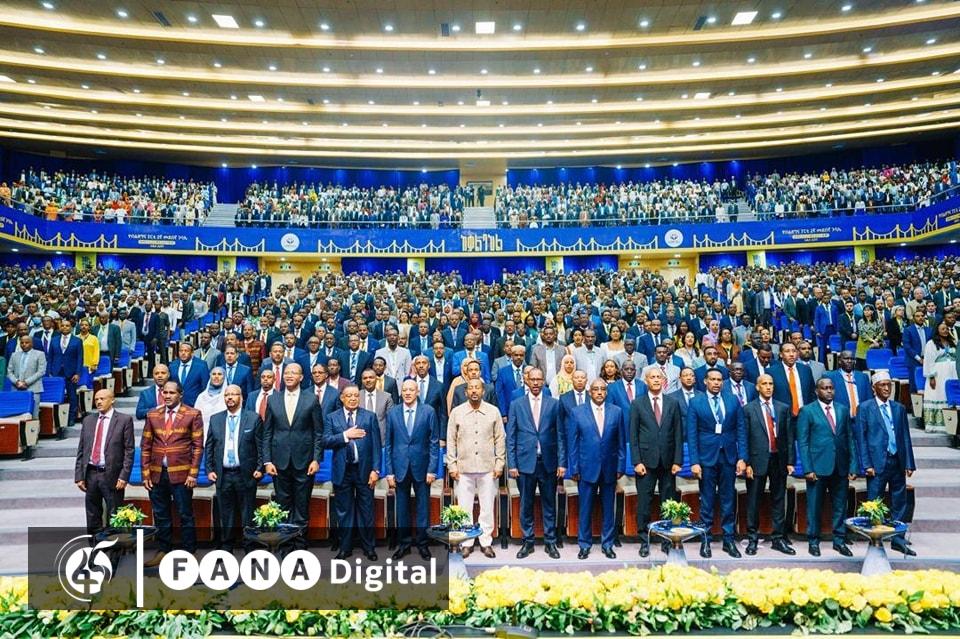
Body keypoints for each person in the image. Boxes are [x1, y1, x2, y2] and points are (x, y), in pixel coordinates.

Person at [141, 380, 204, 567]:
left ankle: (189, 552)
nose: (167, 396)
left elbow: (198, 447)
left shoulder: (193, 414)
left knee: (185, 514)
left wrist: (193, 474)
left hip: (182, 474)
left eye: (171, 393)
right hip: (157, 473)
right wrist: (145, 474)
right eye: (165, 392)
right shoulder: (152, 414)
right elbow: (146, 446)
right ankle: (163, 551)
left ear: (180, 394)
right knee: (160, 514)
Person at [686, 368, 747, 558]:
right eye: (712, 379)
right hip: (706, 458)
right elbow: (691, 434)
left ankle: (729, 540)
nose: (716, 383)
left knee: (728, 500)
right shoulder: (695, 402)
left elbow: (741, 429)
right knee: (707, 500)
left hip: (728, 456)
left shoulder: (732, 399)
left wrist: (742, 457)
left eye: (719, 380)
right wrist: (694, 461)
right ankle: (706, 540)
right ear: (705, 381)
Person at [855, 371, 917, 555]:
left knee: (900, 501)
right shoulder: (865, 408)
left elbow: (905, 436)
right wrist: (866, 464)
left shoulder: (898, 408)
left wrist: (909, 462)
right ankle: (876, 537)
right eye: (882, 385)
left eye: (889, 385)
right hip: (876, 463)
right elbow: (861, 439)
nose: (886, 388)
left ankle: (898, 539)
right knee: (875, 502)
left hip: (897, 461)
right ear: (874, 388)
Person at [796, 377, 858, 557]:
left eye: (831, 388)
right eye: (825, 388)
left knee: (840, 506)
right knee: (814, 507)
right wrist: (807, 469)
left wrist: (853, 465)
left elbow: (849, 439)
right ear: (817, 391)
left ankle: (839, 541)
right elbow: (803, 442)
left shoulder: (843, 410)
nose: (829, 391)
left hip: (840, 466)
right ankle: (813, 541)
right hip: (817, 467)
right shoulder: (807, 411)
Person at [506, 368, 565, 560]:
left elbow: (560, 435)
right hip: (524, 463)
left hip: (548, 462)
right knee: (526, 504)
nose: (536, 383)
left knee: (549, 504)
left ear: (543, 381)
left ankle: (550, 542)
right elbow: (511, 437)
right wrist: (512, 464)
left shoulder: (554, 404)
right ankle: (528, 542)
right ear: (527, 381)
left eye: (539, 379)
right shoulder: (516, 404)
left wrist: (562, 463)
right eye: (533, 379)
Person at [446, 378, 505, 559]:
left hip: (488, 468)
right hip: (463, 468)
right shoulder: (457, 412)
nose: (474, 391)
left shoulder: (493, 411)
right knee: (464, 508)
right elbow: (451, 440)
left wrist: (499, 464)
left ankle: (486, 542)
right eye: (470, 388)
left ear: (483, 391)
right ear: (465, 392)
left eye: (477, 388)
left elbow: (500, 439)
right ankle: (467, 543)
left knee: (487, 507)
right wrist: (452, 465)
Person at [263, 363, 323, 538]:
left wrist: (316, 459)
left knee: (302, 506)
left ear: (301, 377)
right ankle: (285, 543)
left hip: (304, 462)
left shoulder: (311, 399)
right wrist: (267, 461)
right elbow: (267, 433)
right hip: (279, 462)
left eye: (293, 373)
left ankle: (300, 543)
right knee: (282, 506)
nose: (289, 375)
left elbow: (318, 433)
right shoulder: (273, 399)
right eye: (287, 373)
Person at [323, 384, 382, 560]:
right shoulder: (332, 417)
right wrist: (345, 435)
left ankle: (369, 548)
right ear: (342, 398)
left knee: (366, 511)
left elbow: (376, 446)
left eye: (356, 395)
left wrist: (375, 470)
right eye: (349, 396)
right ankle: (345, 548)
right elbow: (325, 441)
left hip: (364, 471)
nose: (353, 398)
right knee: (344, 512)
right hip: (342, 471)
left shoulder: (369, 416)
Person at [629, 368, 683, 557]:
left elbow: (678, 433)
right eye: (652, 377)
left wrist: (678, 460)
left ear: (664, 380)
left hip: (668, 462)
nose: (656, 380)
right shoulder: (637, 404)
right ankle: (644, 541)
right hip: (645, 463)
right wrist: (636, 461)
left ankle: (666, 540)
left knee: (668, 503)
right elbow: (633, 435)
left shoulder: (673, 403)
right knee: (644, 504)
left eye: (659, 377)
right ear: (646, 381)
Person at [568, 378, 623, 560]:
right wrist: (574, 468)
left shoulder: (616, 412)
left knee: (608, 509)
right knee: (585, 509)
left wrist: (620, 466)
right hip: (586, 469)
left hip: (609, 468)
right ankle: (584, 545)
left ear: (606, 392)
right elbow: (573, 443)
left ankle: (608, 545)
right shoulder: (577, 412)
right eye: (596, 389)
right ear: (590, 392)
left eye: (602, 389)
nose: (599, 392)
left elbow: (621, 442)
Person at [205, 384, 263, 553]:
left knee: (247, 513)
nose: (229, 397)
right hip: (223, 474)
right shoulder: (215, 419)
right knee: (225, 514)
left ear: (241, 397)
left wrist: (260, 467)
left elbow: (261, 446)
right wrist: (209, 469)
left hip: (246, 474)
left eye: (233, 394)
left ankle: (249, 547)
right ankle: (226, 547)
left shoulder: (253, 418)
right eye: (227, 395)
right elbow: (209, 447)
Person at [385, 379, 439, 560]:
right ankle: (404, 545)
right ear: (401, 392)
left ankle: (423, 544)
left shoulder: (428, 411)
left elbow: (433, 442)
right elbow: (389, 444)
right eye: (405, 390)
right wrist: (389, 472)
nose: (407, 393)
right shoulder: (393, 413)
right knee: (402, 509)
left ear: (417, 392)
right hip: (399, 467)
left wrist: (432, 470)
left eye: (411, 390)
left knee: (423, 509)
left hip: (422, 468)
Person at [743, 374, 796, 556]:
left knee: (779, 500)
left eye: (771, 384)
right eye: (764, 384)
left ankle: (778, 539)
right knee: (753, 501)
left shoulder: (783, 408)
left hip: (778, 459)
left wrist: (790, 461)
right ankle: (752, 539)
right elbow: (744, 438)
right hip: (756, 460)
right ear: (757, 387)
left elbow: (789, 437)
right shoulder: (748, 409)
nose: (768, 387)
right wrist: (747, 462)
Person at [74, 389, 134, 536]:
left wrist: (124, 476)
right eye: (96, 399)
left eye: (102, 398)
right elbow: (82, 450)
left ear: (112, 400)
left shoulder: (124, 420)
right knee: (92, 515)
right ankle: (94, 547)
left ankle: (114, 548)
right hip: (91, 473)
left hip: (112, 474)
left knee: (115, 515)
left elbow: (129, 451)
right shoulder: (88, 421)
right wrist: (79, 476)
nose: (99, 402)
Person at [49, 318, 84, 428]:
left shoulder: (77, 341)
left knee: (72, 396)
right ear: (59, 327)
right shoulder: (54, 340)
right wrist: (49, 372)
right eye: (62, 325)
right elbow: (50, 357)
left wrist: (78, 373)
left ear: (71, 328)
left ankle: (71, 417)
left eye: (67, 326)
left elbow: (80, 358)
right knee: (57, 396)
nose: (64, 327)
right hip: (56, 372)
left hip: (71, 372)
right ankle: (58, 419)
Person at [924, 322, 957, 433]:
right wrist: (931, 377)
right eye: (943, 329)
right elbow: (928, 361)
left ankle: (952, 425)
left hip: (952, 373)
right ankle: (936, 425)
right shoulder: (931, 344)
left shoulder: (952, 342)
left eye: (947, 329)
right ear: (937, 331)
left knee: (949, 396)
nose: (945, 331)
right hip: (939, 374)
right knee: (939, 394)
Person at [7, 334, 46, 418]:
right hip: (16, 388)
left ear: (31, 343)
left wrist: (26, 382)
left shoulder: (40, 354)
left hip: (33, 388)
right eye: (22, 343)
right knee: (16, 415)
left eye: (26, 342)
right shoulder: (14, 355)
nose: (24, 344)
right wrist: (17, 382)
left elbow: (41, 372)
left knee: (34, 416)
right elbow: (9, 371)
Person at [827, 351, 874, 419]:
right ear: (839, 361)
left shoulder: (863, 377)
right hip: (841, 419)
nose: (849, 361)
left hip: (861, 419)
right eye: (846, 358)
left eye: (852, 359)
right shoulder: (830, 377)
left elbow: (869, 400)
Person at [168, 342, 210, 408]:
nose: (183, 353)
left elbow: (205, 386)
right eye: (181, 351)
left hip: (194, 404)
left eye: (186, 351)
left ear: (192, 353)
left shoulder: (201, 365)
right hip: (176, 404)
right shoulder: (172, 365)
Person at [359, 367, 394, 441]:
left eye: (371, 377)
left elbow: (391, 420)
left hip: (381, 438)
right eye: (365, 378)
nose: (368, 380)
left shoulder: (386, 397)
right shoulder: (357, 396)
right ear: (362, 380)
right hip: (361, 438)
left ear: (376, 379)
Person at [194, 366, 227, 436]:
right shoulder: (201, 397)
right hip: (203, 433)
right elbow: (195, 418)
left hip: (222, 433)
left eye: (219, 374)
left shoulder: (228, 396)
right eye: (214, 374)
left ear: (224, 377)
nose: (216, 377)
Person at [903, 310, 930, 392]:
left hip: (927, 359)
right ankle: (914, 400)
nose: (920, 318)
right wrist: (919, 359)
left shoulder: (929, 330)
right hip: (913, 360)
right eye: (918, 316)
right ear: (913, 318)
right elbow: (907, 347)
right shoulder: (908, 330)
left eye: (922, 316)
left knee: (927, 383)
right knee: (914, 384)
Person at [855, 305, 884, 370]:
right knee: (863, 365)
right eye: (865, 310)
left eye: (868, 310)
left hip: (875, 344)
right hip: (863, 344)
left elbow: (881, 332)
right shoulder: (861, 321)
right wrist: (873, 341)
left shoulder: (877, 321)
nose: (866, 312)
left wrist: (876, 340)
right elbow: (862, 333)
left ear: (872, 311)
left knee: (874, 364)